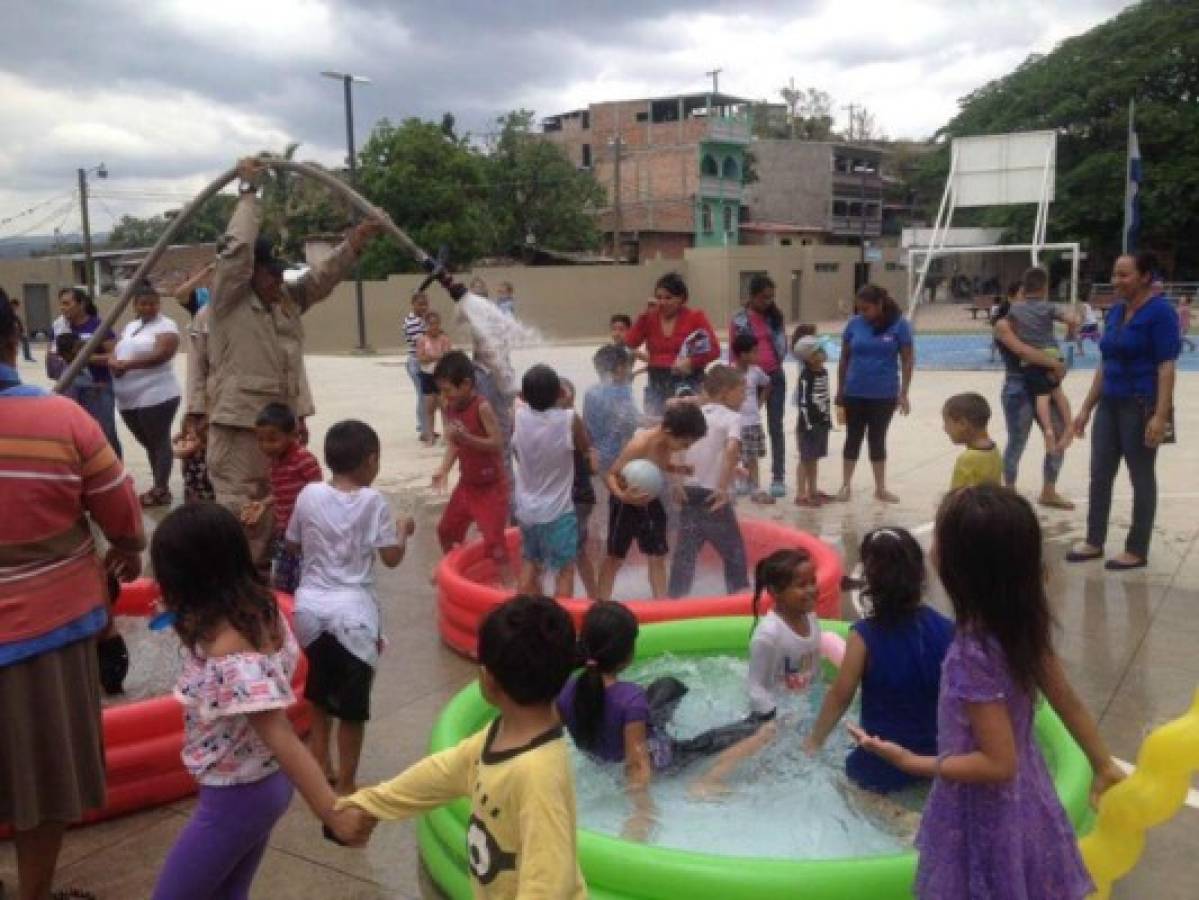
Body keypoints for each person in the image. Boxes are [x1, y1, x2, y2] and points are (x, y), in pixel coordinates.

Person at [851, 485, 1124, 900]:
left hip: (983, 812)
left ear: (958, 567)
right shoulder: (1021, 624)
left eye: (939, 538)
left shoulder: (971, 653)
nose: (933, 547)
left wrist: (912, 761)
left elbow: (998, 763)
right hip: (1027, 799)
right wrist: (1102, 763)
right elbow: (1066, 699)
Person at [0, 293, 145, 900]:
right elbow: (123, 518)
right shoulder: (62, 421)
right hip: (44, 634)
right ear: (14, 339)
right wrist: (128, 546)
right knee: (47, 777)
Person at [149, 503, 349, 900]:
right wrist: (181, 622)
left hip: (236, 797)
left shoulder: (230, 650)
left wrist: (332, 811)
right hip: (259, 785)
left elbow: (281, 734)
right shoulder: (257, 611)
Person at [330, 595, 588, 899]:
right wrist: (372, 803)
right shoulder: (502, 733)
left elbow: (549, 885)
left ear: (488, 679)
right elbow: (443, 772)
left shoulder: (537, 773)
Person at [207, 156, 381, 568]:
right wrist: (249, 195)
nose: (274, 280)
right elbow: (235, 253)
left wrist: (355, 242)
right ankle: (235, 608)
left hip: (281, 431)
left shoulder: (283, 302)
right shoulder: (229, 300)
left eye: (277, 273)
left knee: (277, 520)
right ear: (251, 273)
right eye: (267, 273)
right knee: (239, 523)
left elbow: (321, 280)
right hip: (239, 433)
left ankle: (268, 607)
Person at [556, 602, 777, 839]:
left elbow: (551, 735)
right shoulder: (631, 700)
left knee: (668, 686)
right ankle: (705, 783)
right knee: (744, 732)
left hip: (617, 747)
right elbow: (637, 763)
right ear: (627, 655)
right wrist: (643, 810)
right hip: (664, 760)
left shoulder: (566, 691)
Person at [286, 420, 413, 794]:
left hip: (309, 612)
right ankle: (346, 783)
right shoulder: (372, 501)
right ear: (371, 460)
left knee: (320, 691)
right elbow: (390, 557)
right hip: (353, 618)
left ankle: (319, 763)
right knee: (353, 710)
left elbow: (293, 544)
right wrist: (403, 528)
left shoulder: (308, 494)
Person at [805, 528, 953, 796]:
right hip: (937, 760)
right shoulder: (948, 630)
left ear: (870, 581)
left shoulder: (863, 637)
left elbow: (840, 696)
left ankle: (891, 815)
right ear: (920, 574)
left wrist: (814, 742)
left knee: (844, 790)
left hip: (881, 763)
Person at [1068, 252, 1181, 570]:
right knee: (1099, 474)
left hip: (1141, 405)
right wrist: (1087, 408)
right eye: (1115, 274)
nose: (1116, 281)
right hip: (1109, 404)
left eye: (1124, 275)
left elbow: (1166, 367)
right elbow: (1106, 363)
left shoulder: (1161, 313)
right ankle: (1094, 540)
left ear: (1144, 276)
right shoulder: (1116, 311)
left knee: (1141, 476)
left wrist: (1160, 416)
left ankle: (1137, 547)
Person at [691, 549, 822, 793]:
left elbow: (812, 665)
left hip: (796, 704)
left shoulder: (811, 617)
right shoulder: (769, 634)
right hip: (768, 712)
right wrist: (772, 716)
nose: (811, 590)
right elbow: (755, 685)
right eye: (801, 585)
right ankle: (710, 779)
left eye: (813, 581)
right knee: (759, 743)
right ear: (775, 592)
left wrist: (818, 696)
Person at [597, 403, 707, 602]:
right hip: (625, 502)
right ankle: (601, 603)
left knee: (657, 555)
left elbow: (656, 464)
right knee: (615, 557)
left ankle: (661, 604)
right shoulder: (640, 443)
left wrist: (677, 468)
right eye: (684, 444)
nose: (686, 448)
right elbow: (611, 474)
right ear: (668, 431)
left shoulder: (666, 441)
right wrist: (623, 496)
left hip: (650, 499)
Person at [667, 366, 749, 598]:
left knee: (685, 556)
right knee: (735, 555)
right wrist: (723, 487)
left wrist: (676, 481)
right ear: (724, 393)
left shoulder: (695, 415)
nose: (745, 396)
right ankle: (739, 604)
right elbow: (732, 449)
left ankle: (674, 604)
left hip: (689, 493)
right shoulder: (733, 417)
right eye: (741, 391)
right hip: (712, 496)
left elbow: (677, 448)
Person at [992, 286, 1075, 510]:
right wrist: (1055, 364)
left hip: (1044, 384)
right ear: (1011, 298)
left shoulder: (1040, 325)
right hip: (1018, 385)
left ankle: (1049, 490)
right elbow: (1023, 352)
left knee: (1058, 435)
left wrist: (1058, 366)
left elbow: (1055, 352)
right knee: (1018, 441)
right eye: (1023, 297)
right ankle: (1009, 491)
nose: (1030, 304)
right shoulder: (1003, 324)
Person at [432, 351, 513, 581]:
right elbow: (455, 445)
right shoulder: (450, 408)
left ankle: (511, 589)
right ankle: (458, 574)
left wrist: (468, 439)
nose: (444, 395)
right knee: (446, 530)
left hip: (491, 488)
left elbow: (497, 443)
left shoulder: (482, 407)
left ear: (466, 384)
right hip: (467, 485)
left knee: (495, 544)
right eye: (441, 390)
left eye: (447, 389)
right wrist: (444, 469)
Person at [512, 365, 591, 597]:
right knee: (565, 571)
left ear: (524, 397)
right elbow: (585, 448)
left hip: (526, 509)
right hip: (558, 512)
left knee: (530, 562)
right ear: (560, 394)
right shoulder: (569, 419)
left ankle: (523, 617)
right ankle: (561, 623)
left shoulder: (518, 415)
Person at [835, 284, 913, 503]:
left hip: (884, 394)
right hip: (854, 392)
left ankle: (880, 488)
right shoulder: (853, 324)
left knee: (877, 439)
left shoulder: (900, 325)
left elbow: (907, 360)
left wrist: (904, 392)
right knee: (853, 437)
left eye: (866, 309)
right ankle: (845, 485)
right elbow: (844, 359)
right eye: (859, 309)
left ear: (879, 304)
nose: (862, 313)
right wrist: (840, 389)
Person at [109, 279, 183, 507]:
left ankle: (161, 489)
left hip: (157, 394)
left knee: (159, 442)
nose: (148, 308)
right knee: (149, 443)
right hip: (128, 398)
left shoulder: (166, 326)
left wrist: (127, 366)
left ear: (158, 304)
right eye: (143, 304)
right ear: (135, 305)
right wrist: (112, 361)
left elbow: (163, 354)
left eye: (152, 304)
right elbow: (116, 350)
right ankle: (159, 486)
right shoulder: (131, 327)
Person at [245, 402, 323, 593]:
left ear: (292, 435)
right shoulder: (275, 462)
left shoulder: (304, 460)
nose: (265, 446)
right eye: (260, 439)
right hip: (284, 529)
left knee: (305, 576)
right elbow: (280, 491)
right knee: (284, 576)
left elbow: (319, 493)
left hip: (306, 531)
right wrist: (263, 504)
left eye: (272, 439)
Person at [1004, 267, 1076, 456]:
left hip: (1032, 359)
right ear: (1044, 288)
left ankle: (1048, 430)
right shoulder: (1049, 306)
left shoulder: (1016, 309)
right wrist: (1071, 330)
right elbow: (1072, 319)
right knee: (1057, 392)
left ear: (1024, 288)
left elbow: (1011, 327)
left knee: (1041, 397)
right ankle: (1069, 425)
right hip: (1052, 354)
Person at [625, 273, 720, 416]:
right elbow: (630, 342)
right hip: (657, 382)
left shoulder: (695, 317)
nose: (662, 302)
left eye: (668, 298)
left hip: (688, 381)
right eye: (659, 298)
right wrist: (644, 316)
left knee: (688, 429)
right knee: (657, 427)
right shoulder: (650, 318)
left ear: (681, 298)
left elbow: (714, 349)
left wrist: (691, 362)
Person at [730, 274, 789, 498]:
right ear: (752, 296)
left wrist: (770, 367)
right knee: (743, 427)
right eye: (764, 298)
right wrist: (735, 377)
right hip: (745, 378)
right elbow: (734, 351)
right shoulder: (738, 320)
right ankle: (746, 477)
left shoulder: (775, 317)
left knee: (775, 427)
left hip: (772, 376)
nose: (768, 302)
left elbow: (782, 344)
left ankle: (778, 477)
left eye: (771, 298)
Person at [47, 287, 122, 456]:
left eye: (67, 303)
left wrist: (87, 358)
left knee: (104, 433)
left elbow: (115, 355)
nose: (63, 308)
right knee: (74, 434)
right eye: (61, 304)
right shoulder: (59, 326)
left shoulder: (98, 325)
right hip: (70, 388)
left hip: (97, 387)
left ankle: (114, 472)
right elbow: (52, 354)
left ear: (81, 304)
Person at [559, 378, 600, 598]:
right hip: (574, 496)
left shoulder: (575, 423)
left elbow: (592, 465)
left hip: (577, 496)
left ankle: (589, 598)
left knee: (574, 551)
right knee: (575, 551)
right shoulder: (566, 423)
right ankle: (593, 596)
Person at [583, 344, 641, 480]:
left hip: (599, 456)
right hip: (619, 457)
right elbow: (631, 422)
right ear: (619, 368)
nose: (629, 370)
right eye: (627, 366)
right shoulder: (621, 391)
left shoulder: (591, 392)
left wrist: (591, 451)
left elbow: (586, 427)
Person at [730, 332, 773, 504]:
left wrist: (760, 402)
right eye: (754, 352)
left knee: (753, 457)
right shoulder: (730, 372)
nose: (758, 356)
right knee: (735, 457)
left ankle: (755, 487)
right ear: (742, 354)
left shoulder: (756, 372)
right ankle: (736, 487)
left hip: (753, 422)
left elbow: (768, 384)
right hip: (736, 423)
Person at [794, 335, 833, 507]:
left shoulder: (823, 372)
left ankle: (813, 490)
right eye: (819, 351)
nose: (824, 353)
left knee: (814, 457)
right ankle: (801, 494)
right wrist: (808, 424)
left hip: (821, 422)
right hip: (808, 424)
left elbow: (825, 398)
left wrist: (827, 419)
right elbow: (803, 401)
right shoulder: (806, 376)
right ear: (809, 358)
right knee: (805, 458)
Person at [943, 392, 1002, 490]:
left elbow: (956, 496)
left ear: (962, 424)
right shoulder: (995, 450)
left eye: (947, 423)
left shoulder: (967, 459)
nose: (945, 429)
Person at [415, 309, 452, 444]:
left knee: (444, 407)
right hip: (427, 375)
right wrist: (436, 357)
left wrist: (432, 357)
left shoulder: (444, 339)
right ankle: (430, 435)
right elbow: (421, 358)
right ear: (426, 325)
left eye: (436, 324)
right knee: (430, 407)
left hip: (441, 376)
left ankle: (447, 436)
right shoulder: (422, 340)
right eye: (430, 324)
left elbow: (447, 357)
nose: (434, 327)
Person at [402, 291, 430, 438]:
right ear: (413, 304)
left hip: (423, 362)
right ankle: (424, 429)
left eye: (425, 304)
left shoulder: (421, 320)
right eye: (420, 304)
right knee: (423, 396)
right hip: (417, 362)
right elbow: (422, 342)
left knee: (426, 396)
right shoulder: (413, 321)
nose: (423, 307)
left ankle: (426, 427)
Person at [173, 414, 215, 503]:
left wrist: (185, 442)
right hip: (193, 481)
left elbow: (178, 453)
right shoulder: (189, 442)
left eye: (191, 431)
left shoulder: (199, 444)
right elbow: (177, 451)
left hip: (202, 482)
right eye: (187, 431)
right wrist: (182, 440)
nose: (189, 435)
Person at [9, 295, 35, 362]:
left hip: (14, 332)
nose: (16, 308)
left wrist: (22, 331)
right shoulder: (7, 312)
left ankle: (27, 356)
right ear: (12, 305)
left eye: (16, 307)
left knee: (25, 339)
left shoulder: (14, 313)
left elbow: (19, 322)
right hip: (8, 332)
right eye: (15, 306)